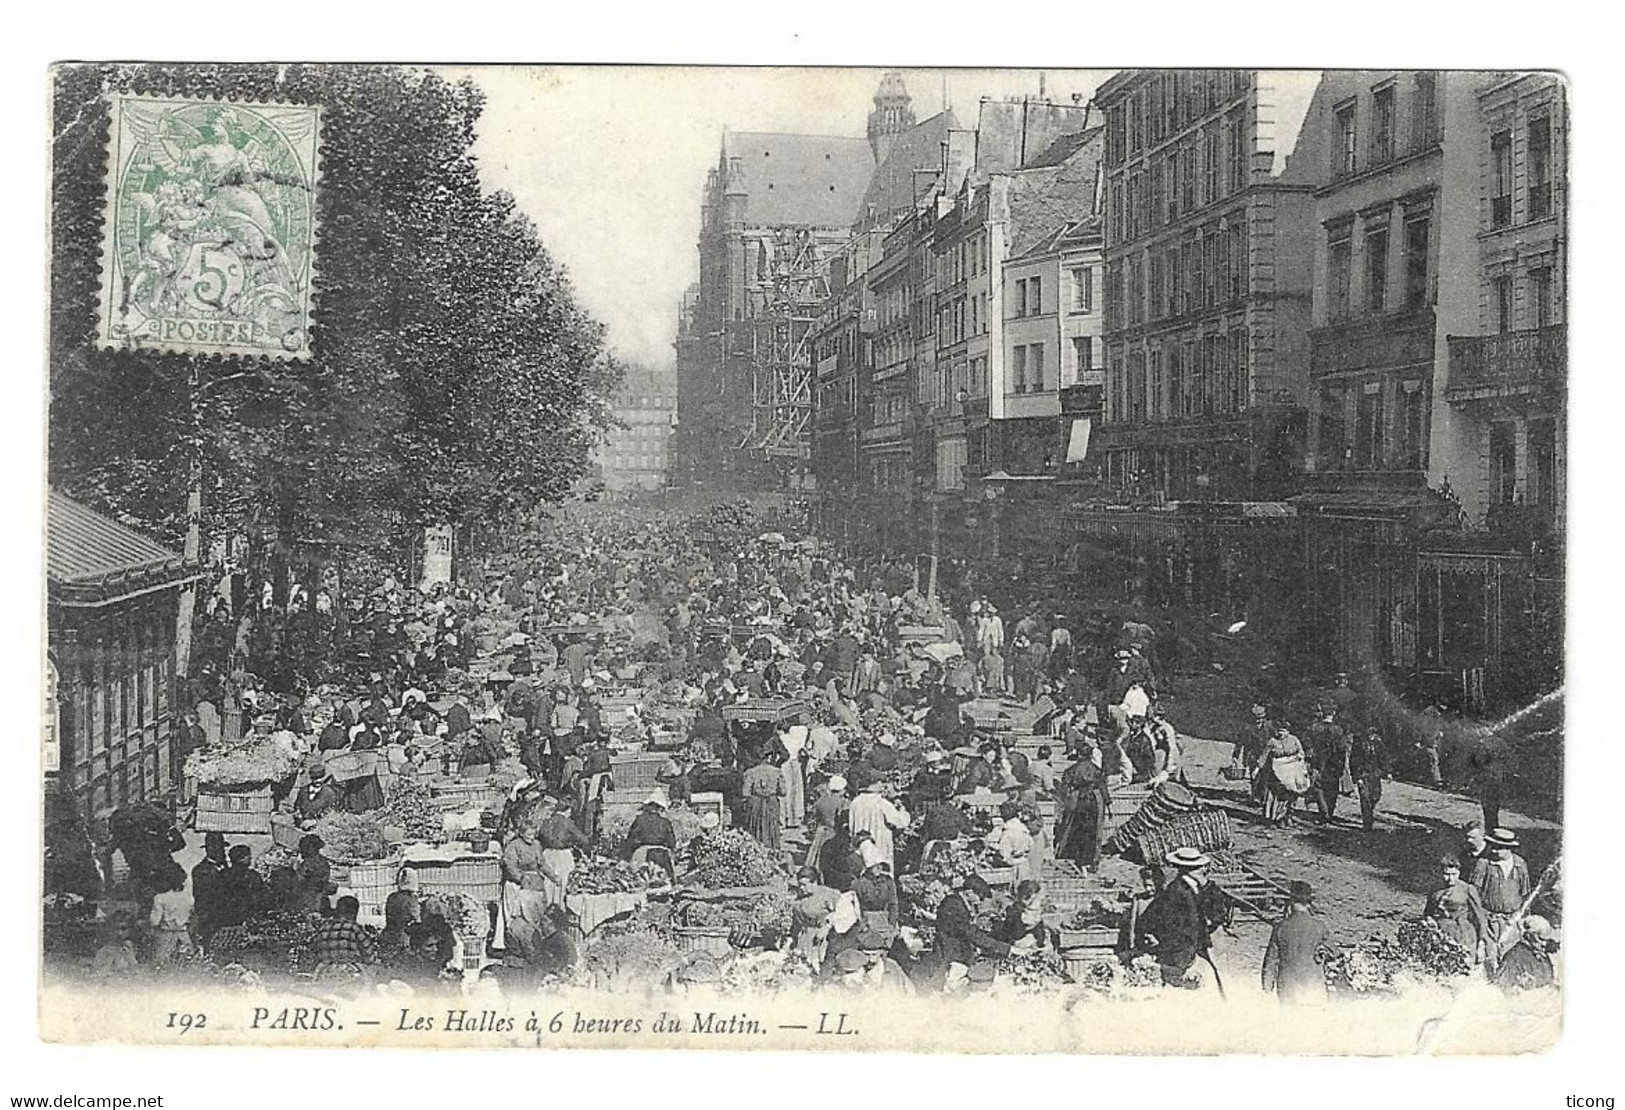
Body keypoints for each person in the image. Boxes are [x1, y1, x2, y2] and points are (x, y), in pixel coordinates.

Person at [1138, 848, 1223, 989]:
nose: (1203, 870)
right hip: (1181, 952)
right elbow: (1152, 919)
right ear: (1188, 870)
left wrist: (1207, 886)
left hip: (1197, 946)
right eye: (1198, 867)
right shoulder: (1175, 891)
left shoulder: (1198, 887)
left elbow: (1218, 911)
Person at [932, 875, 1012, 986]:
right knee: (952, 986)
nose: (981, 901)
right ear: (969, 892)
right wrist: (1005, 948)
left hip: (955, 952)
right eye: (980, 897)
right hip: (950, 954)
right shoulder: (953, 905)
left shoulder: (957, 902)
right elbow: (970, 933)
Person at [1261, 881, 1331, 1005]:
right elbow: (1334, 954)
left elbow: (1270, 961)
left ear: (1291, 902)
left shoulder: (1280, 927)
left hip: (1288, 987)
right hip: (1313, 986)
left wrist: (1267, 988)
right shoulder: (1320, 927)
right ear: (1309, 904)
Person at [1470, 827, 1532, 961]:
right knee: (1490, 956)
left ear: (1508, 848)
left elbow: (1526, 894)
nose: (1493, 850)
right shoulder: (1484, 864)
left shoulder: (1520, 864)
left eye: (1498, 848)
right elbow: (1473, 894)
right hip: (1489, 921)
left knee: (1510, 956)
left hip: (1512, 921)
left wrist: (1524, 919)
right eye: (1492, 846)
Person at [1423, 856, 1489, 964]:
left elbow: (1480, 917)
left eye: (1454, 874)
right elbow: (1428, 912)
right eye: (1446, 874)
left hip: (1462, 932)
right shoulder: (1435, 889)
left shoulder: (1467, 889)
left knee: (1463, 963)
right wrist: (1429, 920)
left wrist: (1481, 943)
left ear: (1459, 873)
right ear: (1440, 873)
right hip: (1440, 932)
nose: (1450, 879)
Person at [1055, 753, 1108, 871]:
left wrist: (1064, 800)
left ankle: (1070, 854)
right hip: (1094, 799)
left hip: (1077, 798)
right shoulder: (1096, 769)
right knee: (1093, 829)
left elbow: (1065, 787)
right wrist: (1108, 802)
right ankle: (1091, 859)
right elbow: (1103, 786)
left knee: (1073, 826)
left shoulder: (1072, 769)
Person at [847, 775, 910, 872]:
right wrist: (903, 810)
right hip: (879, 844)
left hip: (860, 846)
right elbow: (901, 822)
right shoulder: (881, 803)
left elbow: (851, 827)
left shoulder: (855, 802)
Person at [307, 895, 375, 980]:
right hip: (349, 974)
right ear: (353, 913)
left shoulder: (323, 928)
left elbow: (313, 949)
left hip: (325, 974)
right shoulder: (354, 928)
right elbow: (368, 954)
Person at [1256, 723, 1308, 827]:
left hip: (1291, 772)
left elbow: (1301, 753)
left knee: (1291, 795)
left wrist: (1298, 759)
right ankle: (1273, 818)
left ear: (1288, 731)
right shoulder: (1272, 741)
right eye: (1279, 731)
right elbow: (1264, 755)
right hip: (1276, 773)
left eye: (1283, 731)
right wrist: (1257, 768)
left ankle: (1287, 817)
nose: (1280, 733)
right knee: (1275, 796)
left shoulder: (1294, 740)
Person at [1492, 915, 1557, 991]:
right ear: (1529, 935)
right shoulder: (1514, 957)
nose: (1544, 944)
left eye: (1546, 940)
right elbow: (1501, 987)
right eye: (1540, 938)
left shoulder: (1542, 955)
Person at [148, 863, 194, 969]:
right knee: (185, 966)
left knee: (161, 966)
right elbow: (192, 918)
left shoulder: (160, 898)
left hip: (165, 937)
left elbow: (154, 921)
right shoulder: (188, 898)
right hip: (184, 936)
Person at [1307, 712, 1350, 825]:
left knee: (1319, 788)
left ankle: (1324, 813)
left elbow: (1308, 745)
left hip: (1318, 762)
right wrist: (1341, 766)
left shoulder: (1315, 728)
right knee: (1332, 789)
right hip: (1334, 764)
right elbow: (1342, 750)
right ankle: (1329, 813)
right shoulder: (1339, 730)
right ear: (1333, 714)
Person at [622, 791, 677, 877]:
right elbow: (672, 842)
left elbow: (631, 840)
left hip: (643, 853)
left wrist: (626, 856)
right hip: (662, 854)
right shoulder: (666, 822)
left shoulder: (640, 820)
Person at [741, 751, 788, 850]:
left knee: (755, 825)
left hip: (755, 802)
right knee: (772, 825)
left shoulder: (750, 772)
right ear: (769, 757)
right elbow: (783, 792)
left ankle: (756, 849)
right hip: (771, 802)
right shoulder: (777, 772)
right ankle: (772, 850)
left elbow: (745, 792)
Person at [1348, 724, 1390, 830]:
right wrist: (1357, 777)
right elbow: (1354, 761)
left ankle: (1369, 811)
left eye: (1373, 735)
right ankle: (1367, 822)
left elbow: (1384, 757)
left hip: (1375, 774)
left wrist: (1388, 772)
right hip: (1363, 774)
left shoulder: (1378, 743)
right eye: (1370, 735)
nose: (1371, 737)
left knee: (1376, 796)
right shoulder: (1359, 744)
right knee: (1365, 797)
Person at [293, 833, 333, 915]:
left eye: (303, 847)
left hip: (309, 897)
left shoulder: (309, 863)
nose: (301, 850)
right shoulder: (324, 861)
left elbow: (299, 879)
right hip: (320, 897)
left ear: (311, 848)